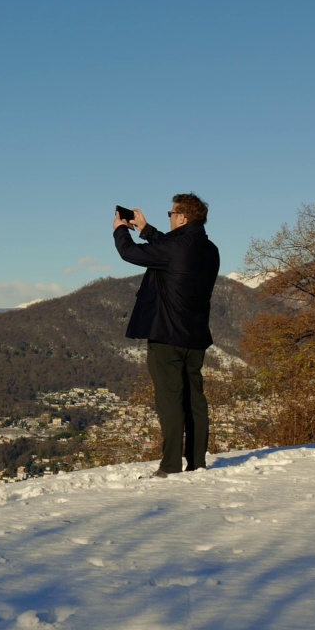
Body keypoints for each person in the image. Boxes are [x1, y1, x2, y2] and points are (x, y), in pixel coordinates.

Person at [112, 193, 220, 477]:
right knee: (195, 400)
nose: (170, 217)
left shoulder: (175, 247)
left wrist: (120, 230)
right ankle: (197, 462)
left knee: (170, 401)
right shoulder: (211, 249)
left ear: (182, 217)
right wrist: (146, 230)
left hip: (166, 337)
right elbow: (173, 247)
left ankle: (170, 466)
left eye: (171, 214)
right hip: (195, 337)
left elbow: (130, 253)